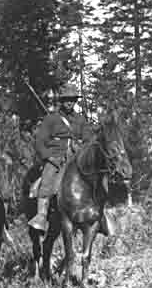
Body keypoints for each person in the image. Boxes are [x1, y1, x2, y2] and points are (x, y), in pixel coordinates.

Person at [28, 84, 106, 234]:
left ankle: (101, 214)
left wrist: (83, 145)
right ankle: (41, 215)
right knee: (47, 180)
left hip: (77, 158)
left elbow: (89, 138)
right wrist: (49, 157)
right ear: (61, 101)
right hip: (56, 159)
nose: (70, 102)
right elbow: (39, 142)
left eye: (72, 99)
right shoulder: (51, 119)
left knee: (96, 178)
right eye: (66, 99)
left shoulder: (80, 119)